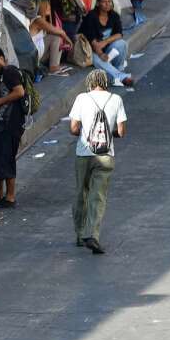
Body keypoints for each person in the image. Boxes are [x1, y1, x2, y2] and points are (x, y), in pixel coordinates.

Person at [68, 69, 127, 255]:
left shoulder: (81, 98)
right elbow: (121, 131)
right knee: (98, 196)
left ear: (90, 83)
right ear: (105, 82)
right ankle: (92, 234)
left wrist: (85, 134)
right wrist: (108, 134)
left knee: (81, 193)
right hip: (105, 154)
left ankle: (79, 234)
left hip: (83, 153)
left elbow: (74, 128)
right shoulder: (116, 99)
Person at [0, 45, 27, 208]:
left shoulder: (9, 72)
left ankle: (9, 197)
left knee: (6, 159)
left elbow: (19, 92)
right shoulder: (4, 74)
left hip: (11, 124)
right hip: (4, 123)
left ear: (1, 59)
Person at [78, 0, 134, 87]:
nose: (107, 4)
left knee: (122, 43)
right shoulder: (91, 16)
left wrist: (105, 42)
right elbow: (92, 40)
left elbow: (119, 34)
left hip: (105, 48)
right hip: (90, 51)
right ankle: (120, 77)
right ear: (98, 3)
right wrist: (101, 54)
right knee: (98, 60)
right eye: (104, 2)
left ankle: (117, 70)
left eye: (109, 1)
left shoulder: (113, 15)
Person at [30, 0, 72, 76]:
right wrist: (68, 39)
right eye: (47, 5)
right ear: (43, 7)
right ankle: (53, 67)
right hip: (33, 55)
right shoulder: (38, 20)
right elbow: (59, 32)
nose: (49, 7)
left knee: (56, 37)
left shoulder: (43, 19)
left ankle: (55, 65)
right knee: (56, 36)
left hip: (38, 53)